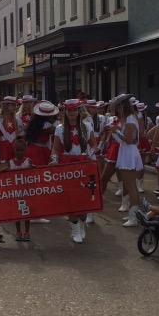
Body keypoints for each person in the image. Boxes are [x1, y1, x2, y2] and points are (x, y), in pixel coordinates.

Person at [50, 98, 95, 243]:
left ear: (78, 111)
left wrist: (91, 154)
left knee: (84, 198)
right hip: (67, 165)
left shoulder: (87, 126)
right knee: (71, 199)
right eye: (69, 110)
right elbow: (55, 149)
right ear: (64, 111)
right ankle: (74, 229)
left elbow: (94, 145)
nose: (72, 113)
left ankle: (82, 225)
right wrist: (54, 161)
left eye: (74, 110)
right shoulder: (59, 128)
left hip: (84, 164)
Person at [108, 94, 144, 228]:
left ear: (122, 106)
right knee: (129, 186)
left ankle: (134, 217)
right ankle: (132, 212)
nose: (116, 109)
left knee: (131, 186)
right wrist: (114, 132)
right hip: (127, 151)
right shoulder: (128, 118)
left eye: (117, 107)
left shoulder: (129, 118)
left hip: (129, 153)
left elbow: (129, 140)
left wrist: (116, 131)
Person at [6, 137, 33, 241]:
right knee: (16, 212)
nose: (19, 152)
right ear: (14, 150)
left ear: (25, 150)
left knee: (26, 212)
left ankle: (27, 231)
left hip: (26, 192)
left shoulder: (28, 161)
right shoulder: (11, 162)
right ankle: (18, 231)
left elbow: (33, 175)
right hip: (15, 193)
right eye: (17, 150)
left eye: (21, 150)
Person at [25, 101, 58, 166]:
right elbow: (57, 130)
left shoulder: (35, 122)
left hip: (31, 149)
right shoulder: (45, 125)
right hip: (38, 151)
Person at [0, 96, 19, 164]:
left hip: (14, 148)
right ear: (6, 105)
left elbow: (17, 136)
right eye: (12, 105)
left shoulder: (15, 119)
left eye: (15, 105)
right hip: (3, 149)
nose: (15, 107)